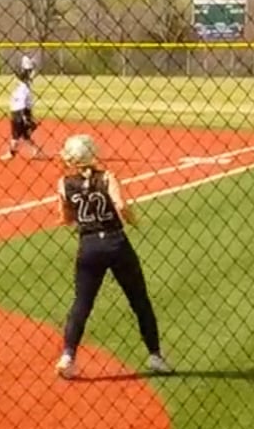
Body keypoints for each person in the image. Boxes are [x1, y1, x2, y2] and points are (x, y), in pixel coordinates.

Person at [54, 134, 169, 380]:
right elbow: (122, 206)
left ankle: (68, 356)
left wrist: (79, 218)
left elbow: (65, 218)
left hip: (88, 246)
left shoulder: (64, 183)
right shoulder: (107, 177)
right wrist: (134, 222)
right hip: (116, 243)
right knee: (139, 299)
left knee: (82, 303)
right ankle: (155, 355)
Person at [0, 65, 44, 161]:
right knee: (25, 136)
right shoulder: (23, 87)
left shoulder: (22, 89)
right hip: (20, 113)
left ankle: (11, 153)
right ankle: (36, 151)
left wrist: (24, 118)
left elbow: (21, 104)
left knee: (15, 136)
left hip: (19, 114)